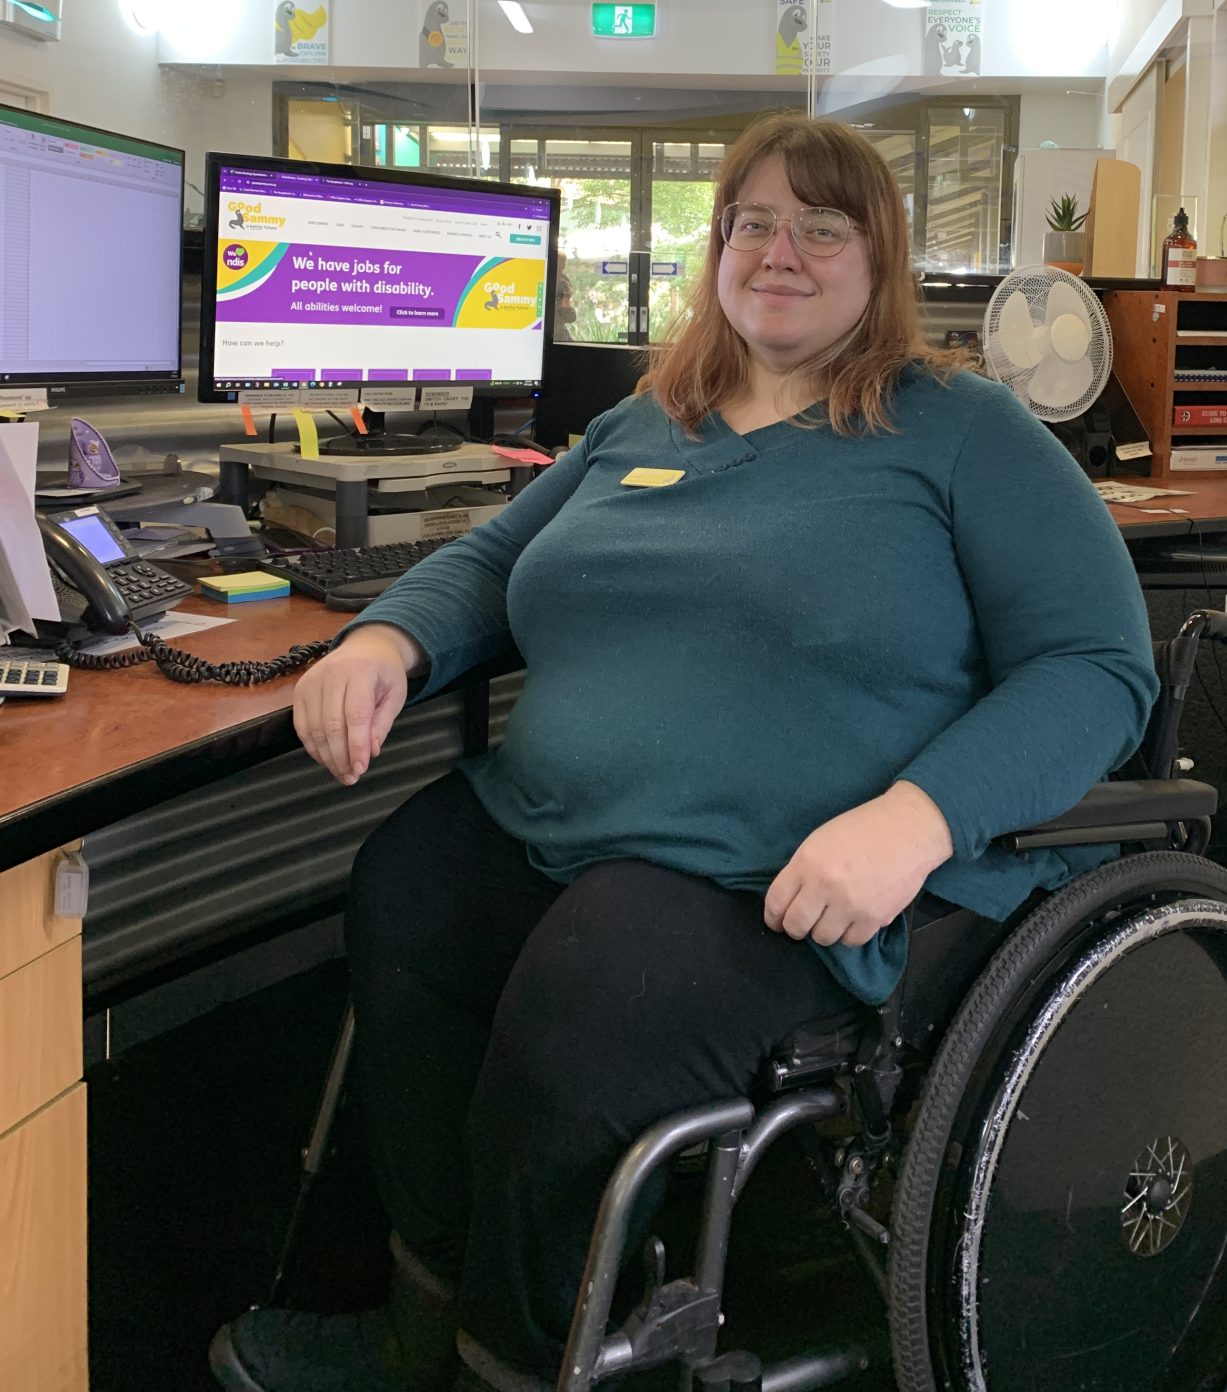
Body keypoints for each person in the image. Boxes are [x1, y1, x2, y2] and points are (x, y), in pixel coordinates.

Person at [211, 113, 1157, 1392]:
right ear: (716, 251)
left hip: (777, 873)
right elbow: (492, 560)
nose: (783, 250)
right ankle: (421, 1312)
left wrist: (917, 819)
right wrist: (387, 641)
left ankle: (518, 1356)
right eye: (753, 222)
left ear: (879, 260)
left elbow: (1098, 667)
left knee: (592, 1000)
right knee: (408, 891)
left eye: (824, 226)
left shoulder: (962, 431)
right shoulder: (648, 423)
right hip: (556, 821)